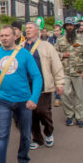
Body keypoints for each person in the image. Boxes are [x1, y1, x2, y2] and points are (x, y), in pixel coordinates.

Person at [0, 25, 42, 163]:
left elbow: (37, 77)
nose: (3, 38)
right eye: (1, 35)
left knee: (25, 133)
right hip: (3, 101)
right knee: (1, 136)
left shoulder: (25, 54)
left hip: (23, 100)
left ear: (15, 37)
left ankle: (23, 160)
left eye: (6, 35)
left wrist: (34, 98)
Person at [22, 22, 64, 150]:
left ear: (37, 30)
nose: (27, 30)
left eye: (30, 28)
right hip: (26, 85)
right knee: (31, 113)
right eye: (26, 28)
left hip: (43, 85)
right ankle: (37, 138)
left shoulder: (46, 46)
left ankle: (49, 132)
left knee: (43, 111)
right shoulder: (21, 47)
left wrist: (60, 82)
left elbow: (56, 64)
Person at [56, 21, 83, 127]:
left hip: (79, 72)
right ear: (65, 27)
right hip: (65, 72)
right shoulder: (60, 40)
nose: (70, 27)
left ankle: (79, 117)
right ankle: (69, 115)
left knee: (80, 96)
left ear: (75, 27)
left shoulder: (82, 39)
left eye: (72, 25)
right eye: (68, 25)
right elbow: (54, 53)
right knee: (65, 94)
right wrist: (62, 55)